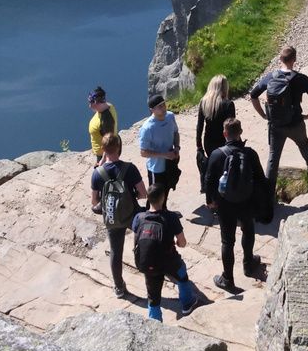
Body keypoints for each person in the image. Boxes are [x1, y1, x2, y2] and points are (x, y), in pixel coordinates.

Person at [249, 46, 308, 193]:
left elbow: (253, 96)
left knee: (273, 157)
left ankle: (268, 194)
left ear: (280, 59)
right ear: (295, 60)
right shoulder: (301, 79)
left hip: (275, 126)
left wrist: (263, 115)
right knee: (303, 144)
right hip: (296, 123)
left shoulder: (270, 77)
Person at [203, 117, 268, 293]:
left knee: (227, 241)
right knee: (248, 230)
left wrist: (211, 200)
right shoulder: (250, 153)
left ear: (224, 134)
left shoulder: (217, 154)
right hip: (246, 201)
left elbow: (208, 180)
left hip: (225, 204)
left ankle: (228, 279)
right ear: (240, 133)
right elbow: (261, 179)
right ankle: (248, 264)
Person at [90, 131, 148, 301]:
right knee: (143, 236)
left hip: (112, 217)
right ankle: (148, 265)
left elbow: (94, 202)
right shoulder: (130, 168)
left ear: (103, 149)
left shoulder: (97, 173)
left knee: (116, 251)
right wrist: (131, 196)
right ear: (119, 147)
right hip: (132, 214)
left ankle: (119, 287)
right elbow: (144, 194)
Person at [130, 184, 198, 320]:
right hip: (168, 262)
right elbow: (182, 243)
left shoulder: (139, 217)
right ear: (163, 198)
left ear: (147, 198)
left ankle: (155, 324)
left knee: (153, 296)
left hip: (147, 263)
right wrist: (177, 243)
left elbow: (135, 243)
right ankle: (186, 305)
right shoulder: (171, 217)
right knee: (182, 275)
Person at [194, 75, 236, 176]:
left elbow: (199, 126)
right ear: (223, 87)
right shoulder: (228, 104)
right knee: (225, 169)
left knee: (213, 167)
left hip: (208, 141)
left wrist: (199, 145)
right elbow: (231, 127)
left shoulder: (204, 102)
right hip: (224, 141)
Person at [138, 94, 181, 192]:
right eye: (160, 106)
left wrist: (177, 147)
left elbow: (175, 132)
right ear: (152, 110)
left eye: (164, 105)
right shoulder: (147, 128)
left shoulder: (170, 116)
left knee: (167, 189)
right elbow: (143, 152)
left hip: (170, 163)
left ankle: (164, 207)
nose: (163, 108)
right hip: (156, 168)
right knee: (154, 196)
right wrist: (164, 154)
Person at [88, 86, 118, 161]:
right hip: (103, 152)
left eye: (91, 103)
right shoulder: (109, 106)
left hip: (105, 154)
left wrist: (104, 159)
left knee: (101, 173)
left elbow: (108, 141)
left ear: (98, 103)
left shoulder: (106, 121)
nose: (90, 106)